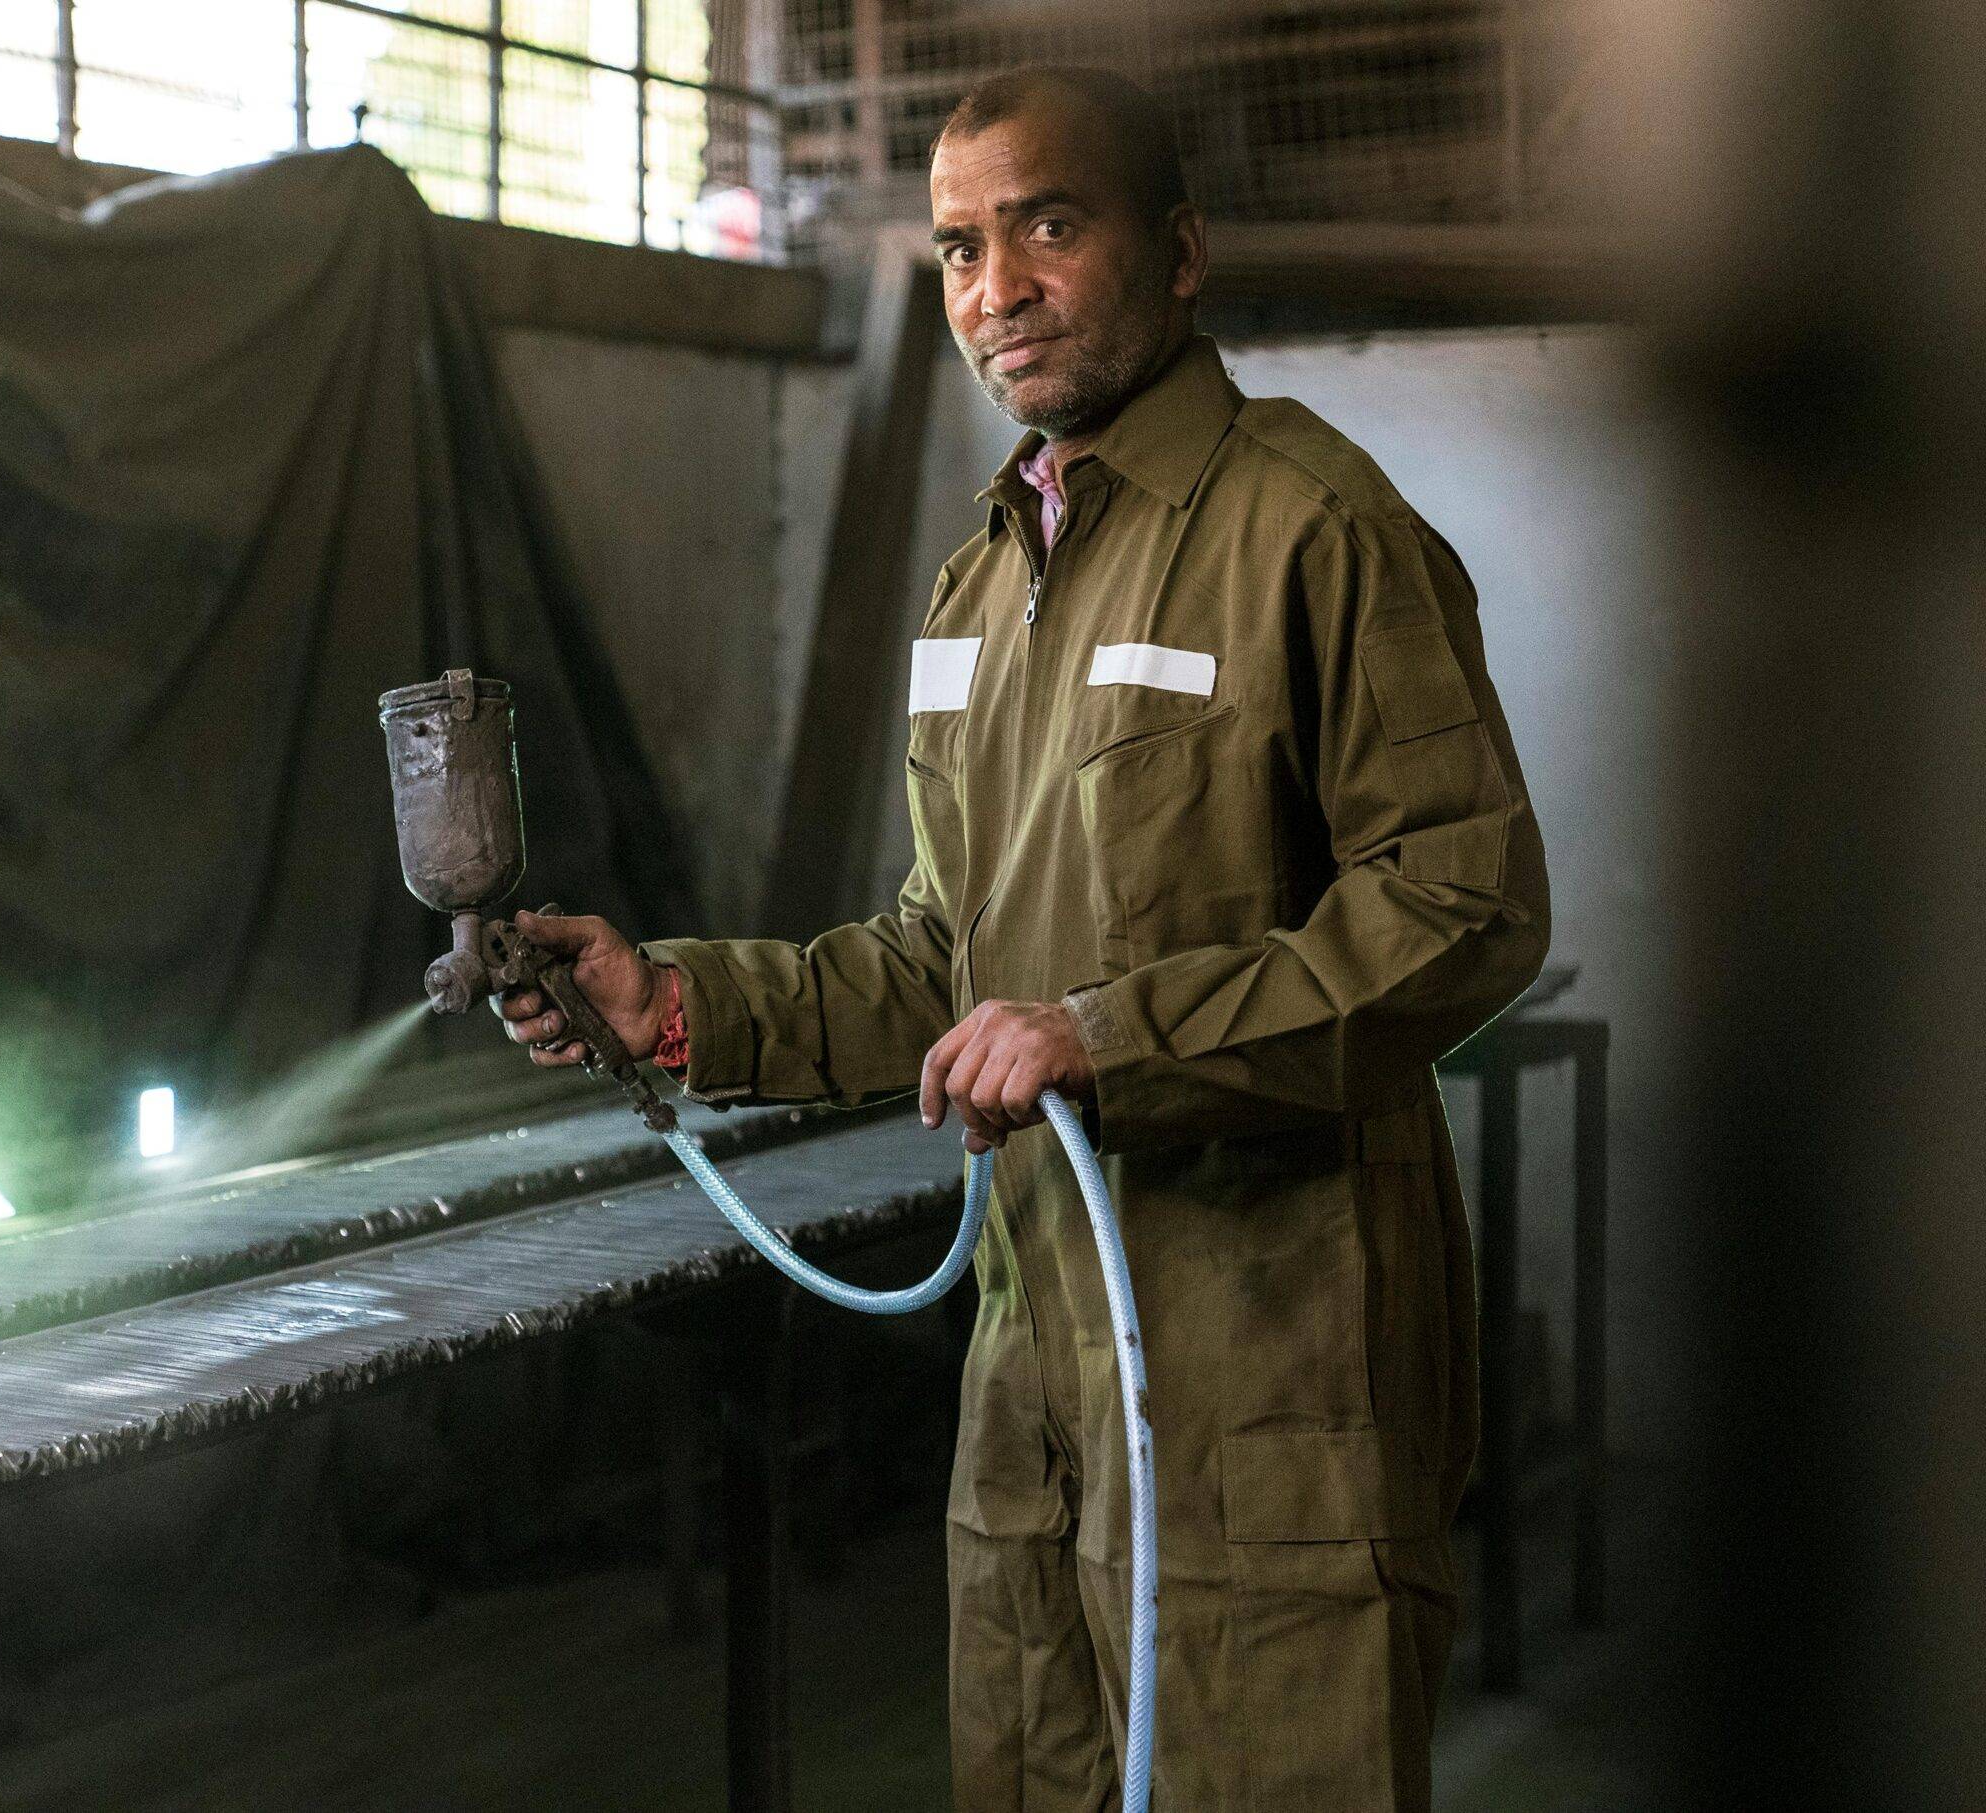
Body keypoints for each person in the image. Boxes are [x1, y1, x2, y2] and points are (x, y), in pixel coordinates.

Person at [497, 64, 1548, 1811]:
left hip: (1273, 1391)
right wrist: (677, 1003)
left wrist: (1109, 1036)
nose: (999, 288)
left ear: (1183, 251)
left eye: (1050, 226)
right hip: (1038, 1393)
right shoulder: (981, 582)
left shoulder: (1314, 526)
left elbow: (1465, 905)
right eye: (960, 247)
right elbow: (942, 959)